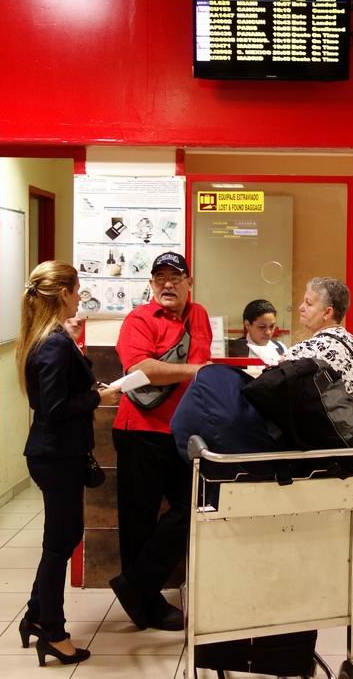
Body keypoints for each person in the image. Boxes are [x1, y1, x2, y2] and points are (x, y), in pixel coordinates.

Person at [17, 261, 122, 667]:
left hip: (54, 453)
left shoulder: (50, 338)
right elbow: (55, 407)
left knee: (62, 537)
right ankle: (53, 633)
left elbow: (54, 395)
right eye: (77, 290)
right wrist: (99, 397)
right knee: (59, 544)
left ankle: (34, 615)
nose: (80, 297)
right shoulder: (54, 344)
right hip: (56, 454)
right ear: (63, 293)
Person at [110, 252, 212, 631]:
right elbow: (141, 370)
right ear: (151, 284)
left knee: (192, 507)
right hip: (139, 431)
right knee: (138, 520)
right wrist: (195, 370)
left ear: (189, 283)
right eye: (160, 278)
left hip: (182, 432)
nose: (167, 284)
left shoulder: (199, 315)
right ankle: (146, 604)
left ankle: (136, 585)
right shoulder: (138, 320)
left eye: (175, 277)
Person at [283, 277, 353, 400]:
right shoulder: (352, 342)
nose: (301, 307)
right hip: (348, 412)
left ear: (327, 313)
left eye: (309, 303)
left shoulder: (308, 349)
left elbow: (272, 381)